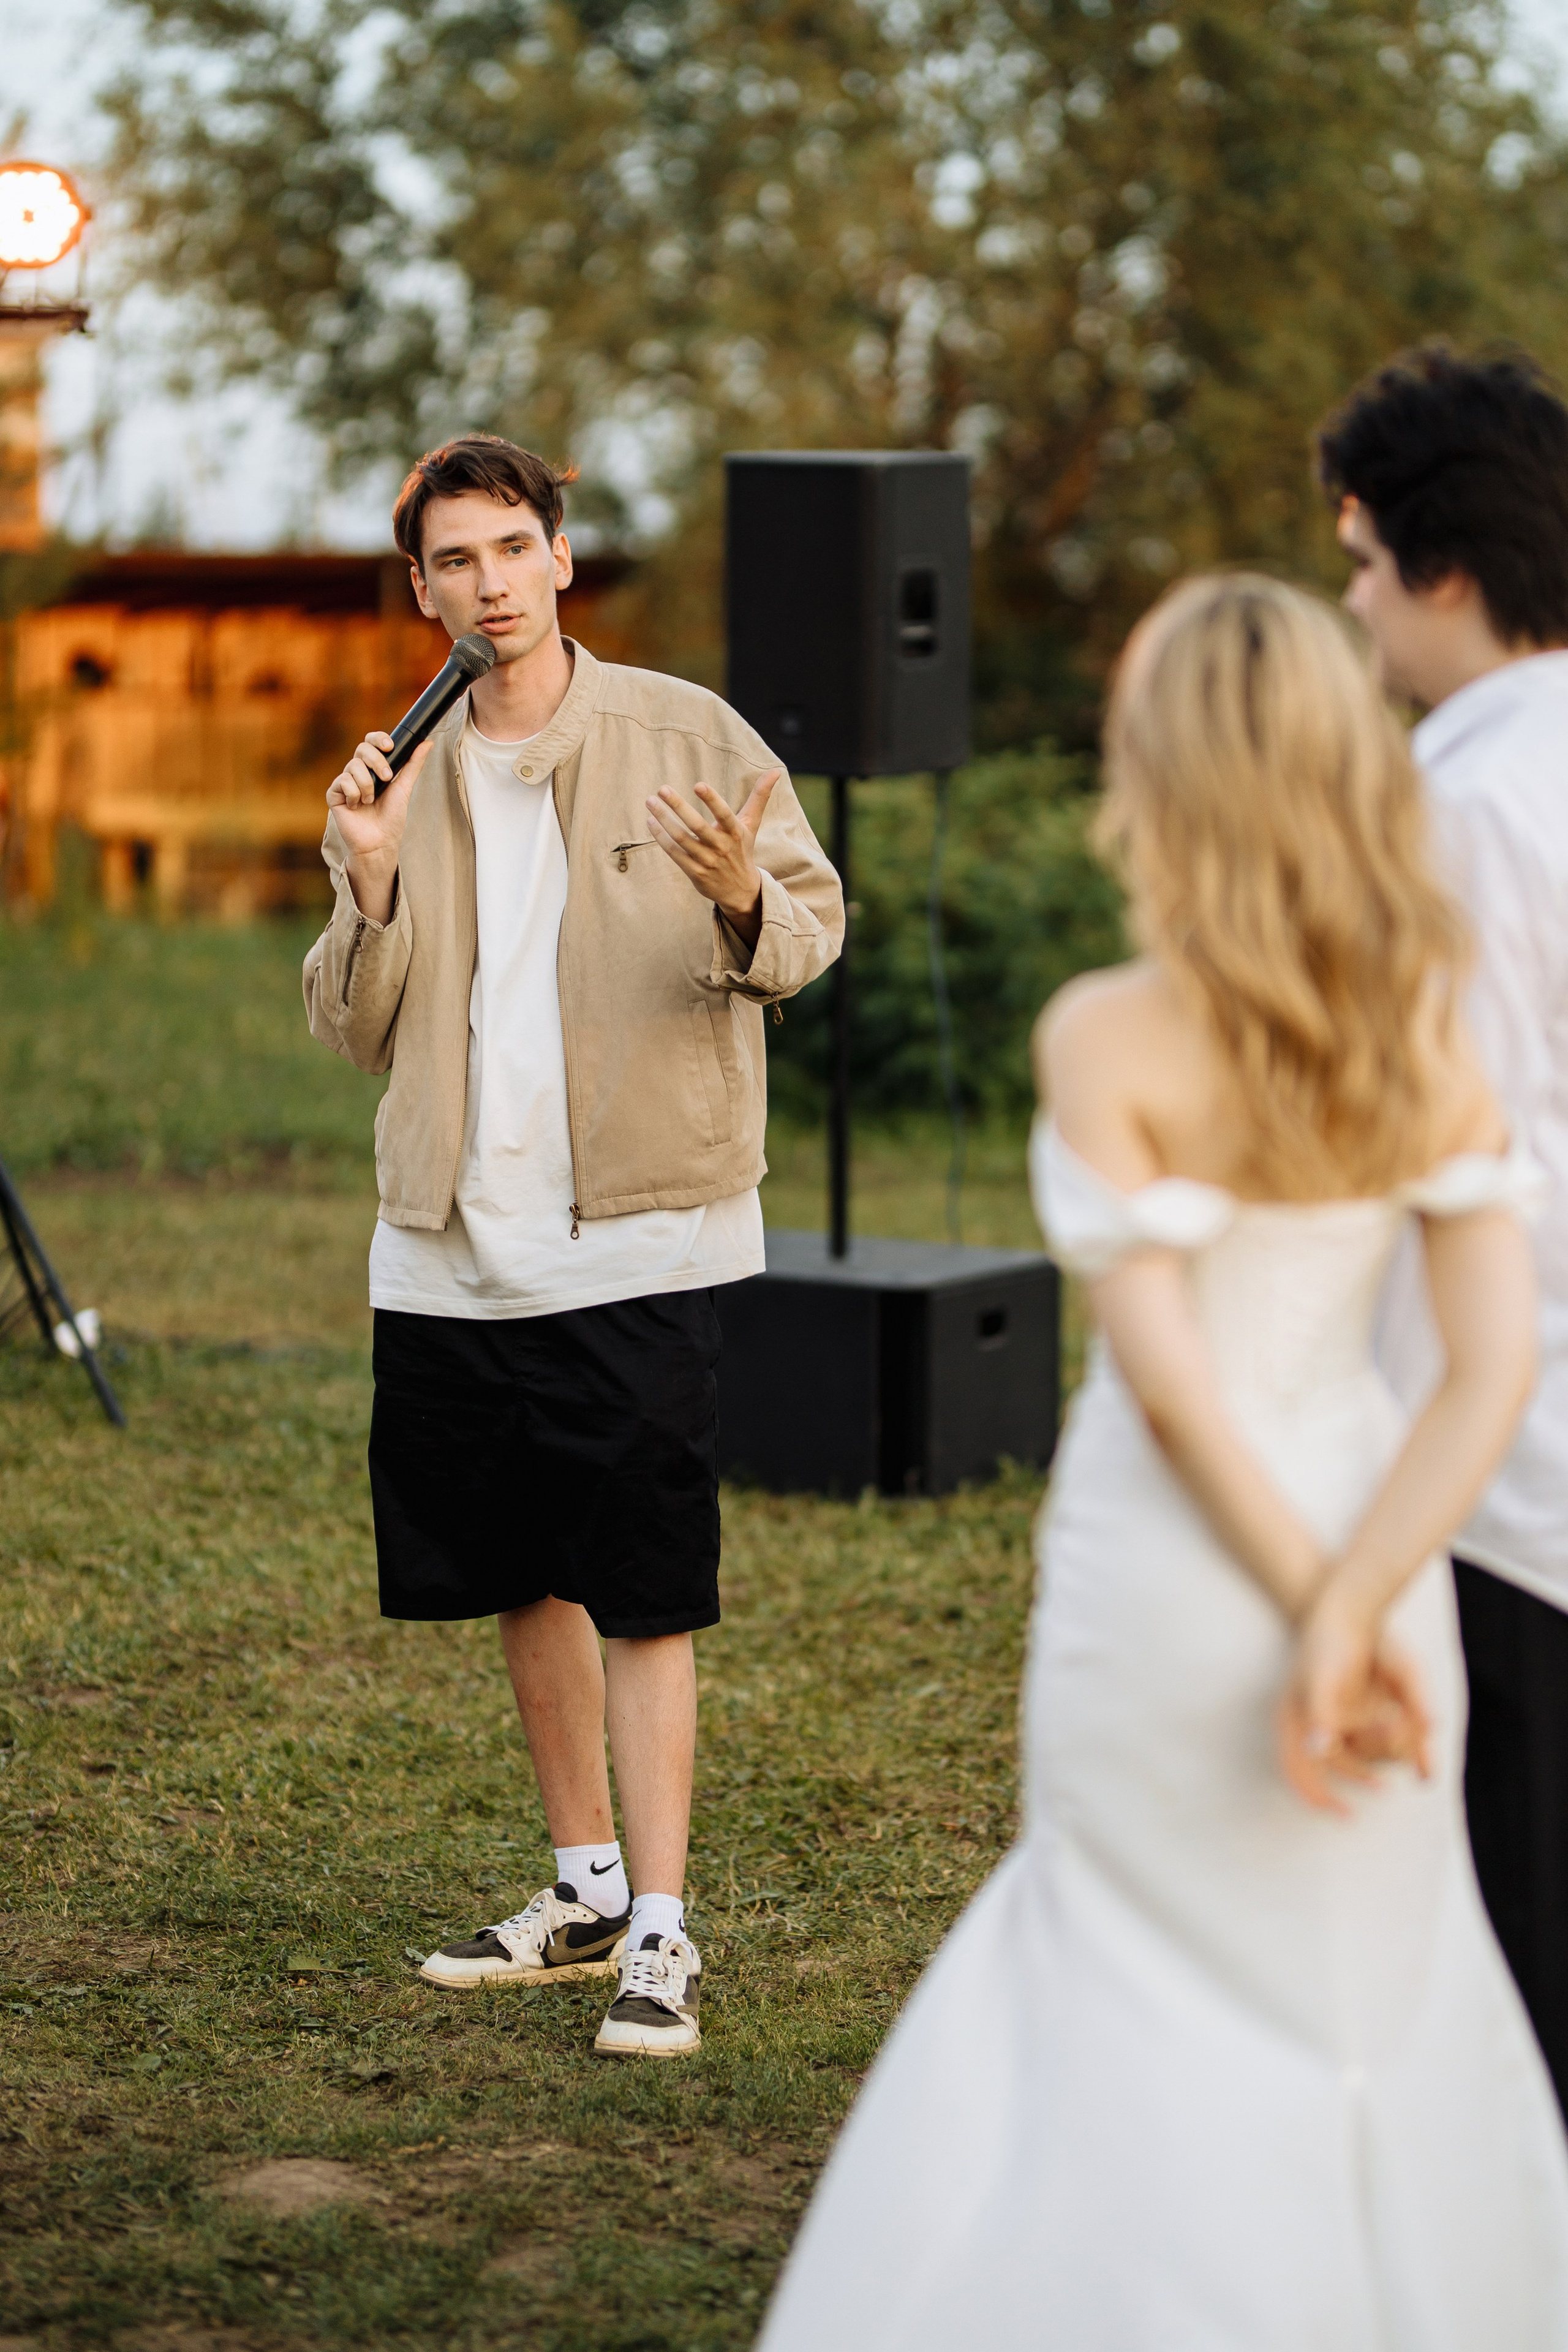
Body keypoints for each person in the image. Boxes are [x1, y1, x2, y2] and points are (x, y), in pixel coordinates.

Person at [758, 575, 1568, 2349]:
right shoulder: (1426, 1031)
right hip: (1383, 1533)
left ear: (1159, 774)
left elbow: (1182, 1393)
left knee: (1127, 1967)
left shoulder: (1103, 1031)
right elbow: (1493, 1366)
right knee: (1380, 1981)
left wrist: (1301, 1613)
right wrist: (1361, 1603)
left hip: (1182, 1579)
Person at [303, 432, 842, 2058]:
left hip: (642, 1242)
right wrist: (368, 885)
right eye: (453, 561)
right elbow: (350, 1027)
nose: (488, 584)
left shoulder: (686, 731)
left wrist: (747, 893)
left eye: (511, 549)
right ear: (424, 590)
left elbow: (808, 933)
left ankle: (663, 1937)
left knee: (644, 1590)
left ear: (560, 555)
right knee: (519, 1574)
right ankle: (583, 1885)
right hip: (453, 1245)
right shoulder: (403, 769)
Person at [1319, 345, 1568, 2115]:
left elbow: (1442, 1161)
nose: (1352, 600)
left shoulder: (1463, 809)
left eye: (1355, 559)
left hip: (1509, 1469)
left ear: (1444, 568)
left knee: (1513, 1953)